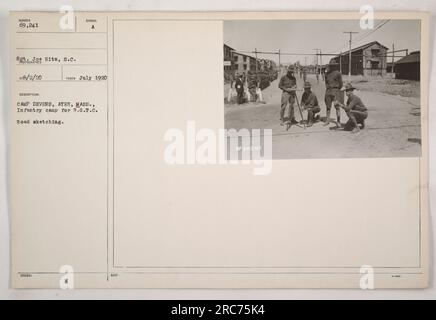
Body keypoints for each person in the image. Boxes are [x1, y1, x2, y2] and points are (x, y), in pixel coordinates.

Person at [324, 60, 344, 126]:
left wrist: (337, 90)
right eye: (331, 65)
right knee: (328, 107)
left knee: (337, 107)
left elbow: (341, 84)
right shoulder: (326, 74)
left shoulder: (338, 73)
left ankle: (338, 121)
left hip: (336, 91)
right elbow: (326, 83)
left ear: (335, 66)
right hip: (328, 91)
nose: (332, 67)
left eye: (333, 65)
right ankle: (327, 120)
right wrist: (328, 90)